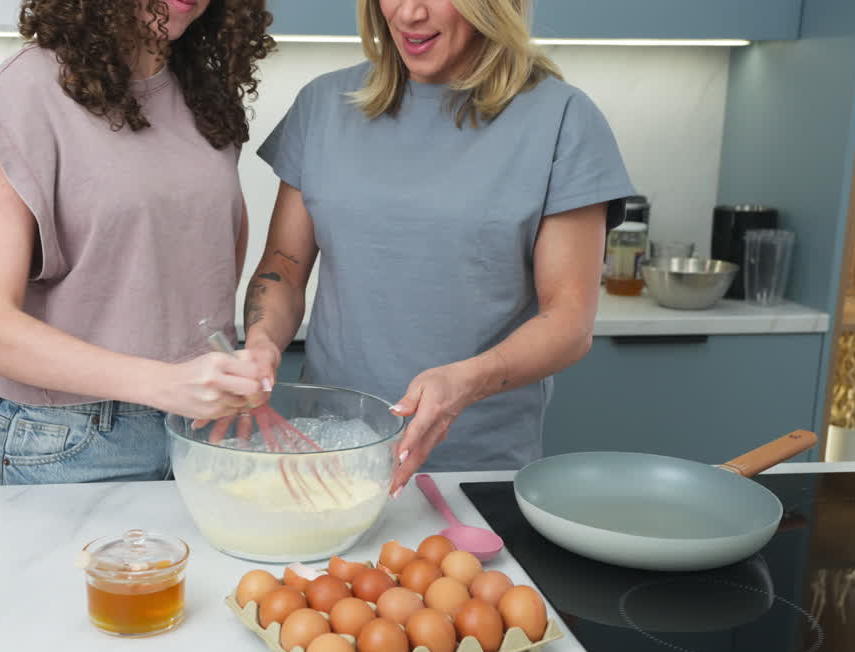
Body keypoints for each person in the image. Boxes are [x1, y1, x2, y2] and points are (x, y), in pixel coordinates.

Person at [243, 0, 636, 494]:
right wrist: (260, 345)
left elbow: (569, 321)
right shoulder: (323, 104)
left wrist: (464, 383)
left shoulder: (563, 119)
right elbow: (283, 266)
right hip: (330, 455)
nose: (408, 14)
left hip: (477, 468)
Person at [0, 0, 274, 485]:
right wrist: (166, 383)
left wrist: (224, 373)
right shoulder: (27, 91)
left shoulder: (202, 90)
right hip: (74, 441)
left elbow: (214, 248)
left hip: (203, 436)